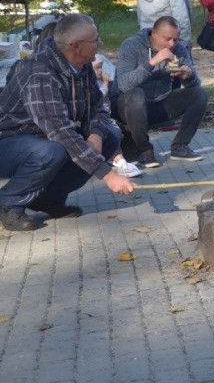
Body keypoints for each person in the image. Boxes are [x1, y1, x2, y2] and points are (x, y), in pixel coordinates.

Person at [0, 14, 135, 231]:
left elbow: (100, 106)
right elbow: (59, 130)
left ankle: (47, 199)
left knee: (110, 137)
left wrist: (96, 133)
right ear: (76, 46)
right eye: (95, 40)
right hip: (9, 142)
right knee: (52, 151)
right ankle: (8, 203)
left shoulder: (82, 67)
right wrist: (107, 174)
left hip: (45, 139)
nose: (99, 43)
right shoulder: (40, 73)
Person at [115, 16, 208, 168]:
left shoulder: (179, 49)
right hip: (129, 105)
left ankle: (180, 147)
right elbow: (124, 84)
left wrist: (188, 76)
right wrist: (152, 62)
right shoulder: (131, 45)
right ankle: (145, 150)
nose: (172, 44)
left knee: (199, 93)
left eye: (176, 39)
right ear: (154, 34)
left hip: (160, 102)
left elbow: (195, 82)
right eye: (167, 39)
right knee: (136, 95)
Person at [92, 54, 143, 178]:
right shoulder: (91, 83)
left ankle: (116, 159)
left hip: (105, 116)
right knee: (112, 132)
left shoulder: (98, 81)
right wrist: (105, 83)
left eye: (101, 67)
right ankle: (118, 161)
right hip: (95, 118)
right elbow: (98, 98)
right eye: (97, 68)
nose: (101, 71)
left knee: (116, 131)